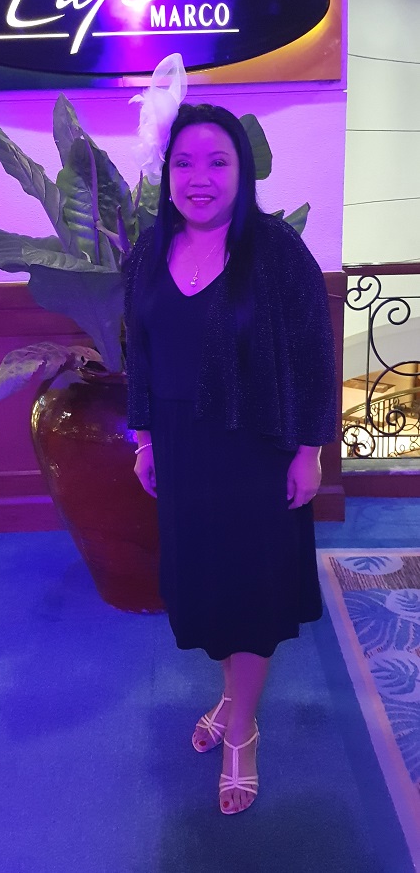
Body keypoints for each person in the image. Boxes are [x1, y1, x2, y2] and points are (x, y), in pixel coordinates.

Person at [124, 103, 337, 815]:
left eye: (217, 162)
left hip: (256, 448)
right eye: (184, 162)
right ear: (167, 174)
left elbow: (314, 357)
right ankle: (231, 695)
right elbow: (140, 353)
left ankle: (241, 727)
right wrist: (145, 440)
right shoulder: (148, 252)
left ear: (242, 171)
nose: (200, 177)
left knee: (250, 591)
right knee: (207, 586)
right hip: (183, 450)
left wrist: (309, 452)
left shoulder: (276, 252)